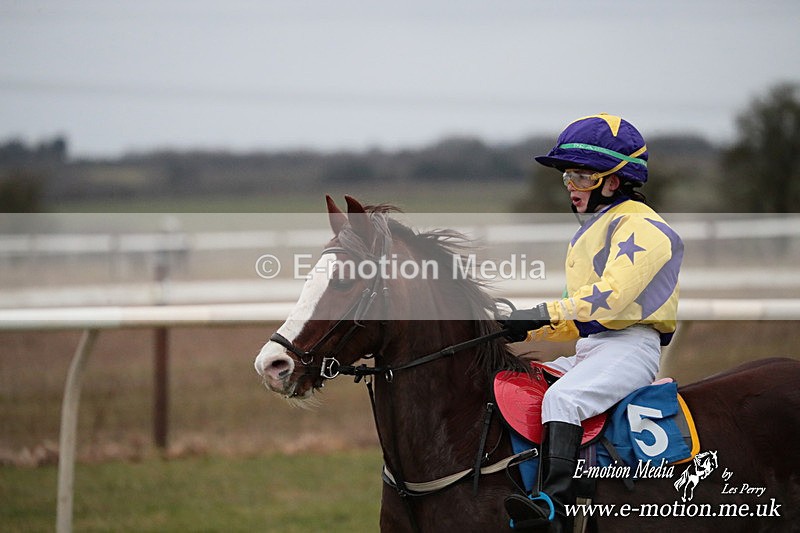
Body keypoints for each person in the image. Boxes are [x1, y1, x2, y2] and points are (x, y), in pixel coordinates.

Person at [503, 113, 683, 532]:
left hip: (631, 348)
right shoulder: (597, 228)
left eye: (582, 177)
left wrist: (542, 312)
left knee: (563, 401)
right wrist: (522, 325)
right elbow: (579, 317)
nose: (572, 187)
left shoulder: (643, 227)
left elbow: (610, 298)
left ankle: (553, 509)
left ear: (614, 181)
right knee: (523, 384)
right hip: (594, 348)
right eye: (568, 177)